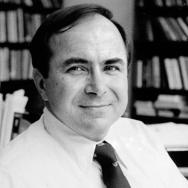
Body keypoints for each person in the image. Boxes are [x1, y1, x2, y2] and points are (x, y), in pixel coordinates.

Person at [0, 4, 188, 188]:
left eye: (111, 67)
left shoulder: (141, 136)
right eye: (77, 69)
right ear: (42, 84)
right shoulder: (10, 177)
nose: (98, 88)